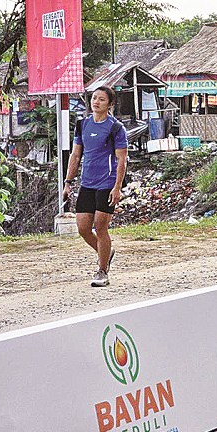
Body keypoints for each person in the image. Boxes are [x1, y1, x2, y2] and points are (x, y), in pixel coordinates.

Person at [63, 87, 128, 286]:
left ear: (110, 104)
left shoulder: (115, 128)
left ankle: (102, 271)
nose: (96, 102)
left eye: (101, 99)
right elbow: (75, 155)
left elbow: (122, 159)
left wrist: (117, 187)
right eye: (94, 98)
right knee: (83, 228)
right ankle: (106, 252)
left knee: (100, 227)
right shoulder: (83, 124)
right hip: (87, 183)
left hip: (107, 183)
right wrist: (68, 182)